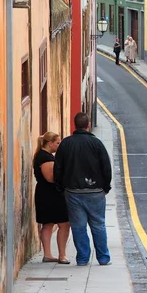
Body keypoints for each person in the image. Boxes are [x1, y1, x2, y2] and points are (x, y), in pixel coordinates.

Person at [54, 112, 113, 266]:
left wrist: (61, 187)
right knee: (98, 224)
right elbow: (106, 167)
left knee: (78, 226)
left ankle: (82, 258)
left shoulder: (66, 144)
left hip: (73, 192)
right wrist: (105, 187)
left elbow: (58, 168)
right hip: (95, 191)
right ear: (88, 125)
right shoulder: (97, 144)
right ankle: (103, 257)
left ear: (75, 125)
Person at [33, 132, 71, 264]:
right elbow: (50, 178)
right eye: (57, 143)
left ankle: (48, 254)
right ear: (50, 144)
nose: (59, 145)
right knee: (64, 224)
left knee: (48, 224)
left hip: (45, 193)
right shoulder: (46, 158)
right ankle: (62, 255)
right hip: (51, 194)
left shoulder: (42, 156)